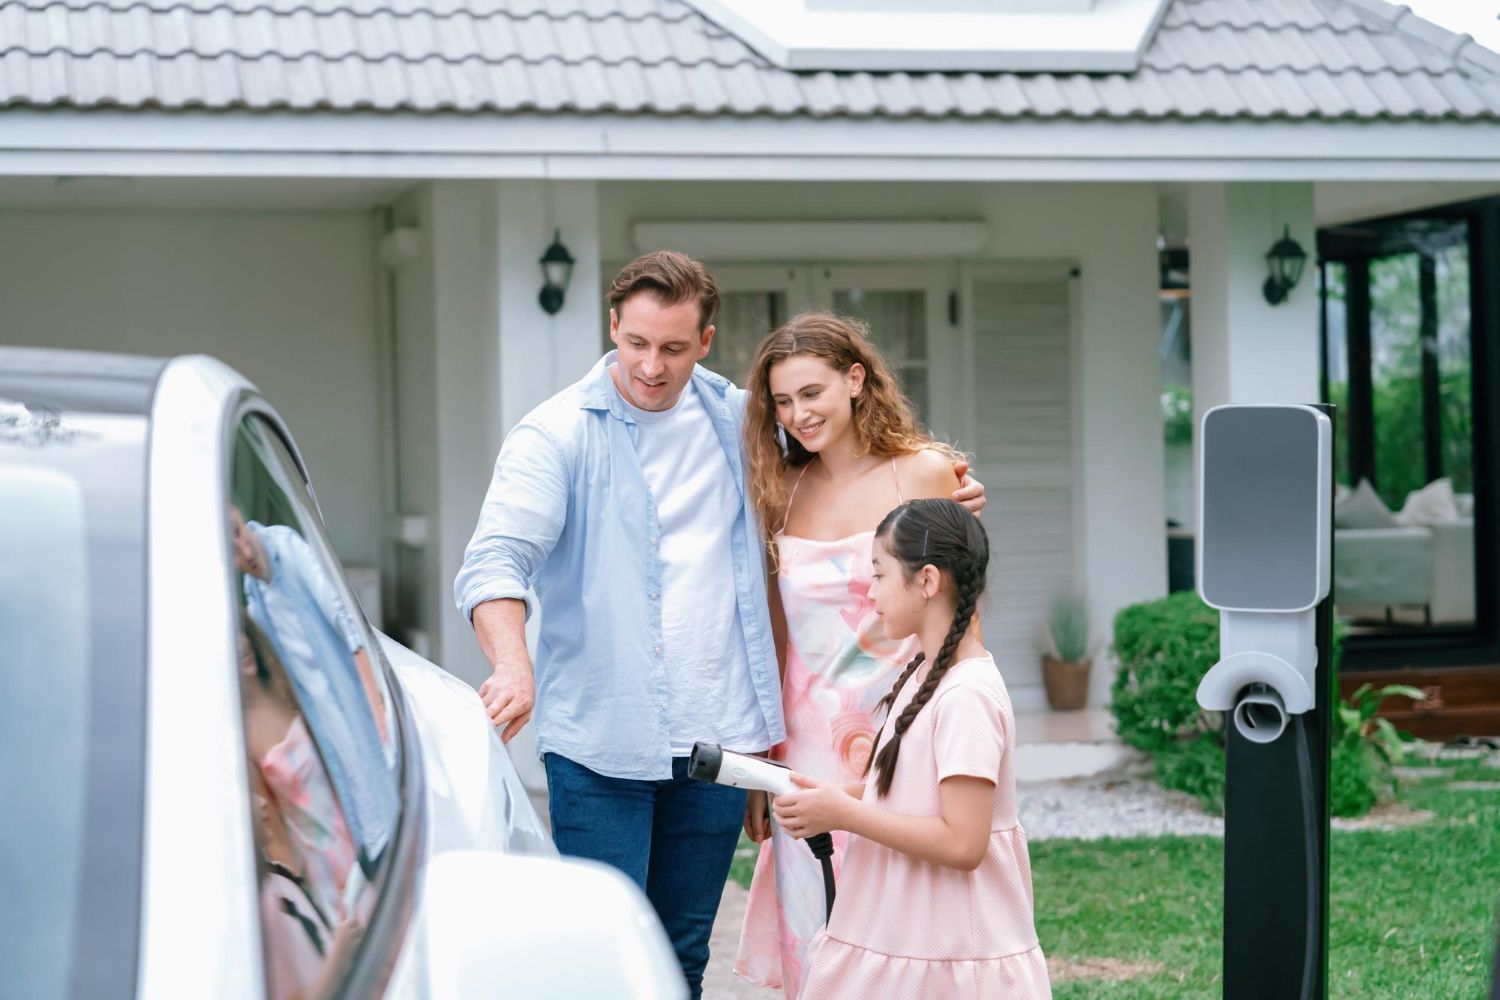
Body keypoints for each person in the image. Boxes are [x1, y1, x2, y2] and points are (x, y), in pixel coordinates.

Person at [452, 251, 983, 999]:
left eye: (672, 348)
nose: (650, 366)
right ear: (613, 328)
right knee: (602, 961)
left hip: (718, 745)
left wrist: (943, 494)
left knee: (681, 954)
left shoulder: (743, 423)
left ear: (704, 342)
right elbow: (496, 561)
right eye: (636, 343)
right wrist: (512, 663)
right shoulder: (557, 436)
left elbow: (851, 462)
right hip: (603, 746)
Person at [734, 311, 975, 995]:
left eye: (812, 393)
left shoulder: (923, 473)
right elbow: (776, 628)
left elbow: (962, 611)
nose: (798, 413)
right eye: (783, 401)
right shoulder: (781, 488)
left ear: (856, 379)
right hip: (808, 741)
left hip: (903, 729)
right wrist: (764, 757)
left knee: (903, 921)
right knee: (818, 924)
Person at [773, 498, 1052, 999]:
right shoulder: (922, 675)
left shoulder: (966, 696)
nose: (869, 589)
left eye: (879, 574)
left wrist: (846, 814)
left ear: (926, 581)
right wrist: (841, 797)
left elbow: (963, 842)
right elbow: (913, 791)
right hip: (907, 932)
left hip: (950, 955)